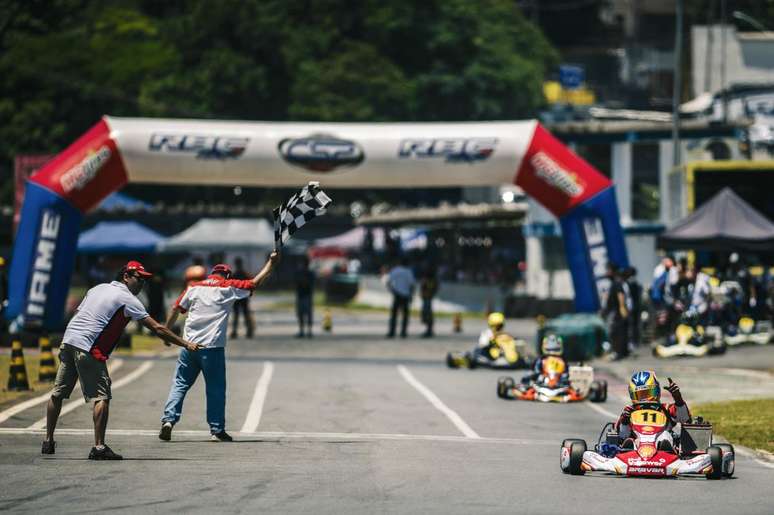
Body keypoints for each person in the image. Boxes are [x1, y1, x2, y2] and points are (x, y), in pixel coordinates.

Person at [42, 261, 199, 460]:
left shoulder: (97, 288)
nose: (142, 283)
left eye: (144, 280)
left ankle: (48, 441)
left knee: (58, 393)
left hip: (69, 340)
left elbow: (80, 313)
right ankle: (99, 448)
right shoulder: (127, 298)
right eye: (139, 278)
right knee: (102, 397)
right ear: (126, 276)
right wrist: (185, 344)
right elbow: (158, 329)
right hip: (89, 347)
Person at [160, 251, 279, 442]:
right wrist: (271, 264)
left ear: (211, 274)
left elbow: (176, 308)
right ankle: (216, 429)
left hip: (188, 345)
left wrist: (166, 332)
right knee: (215, 388)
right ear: (227, 275)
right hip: (212, 348)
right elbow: (254, 283)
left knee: (180, 384)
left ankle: (168, 420)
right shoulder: (227, 286)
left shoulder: (194, 287)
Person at [616, 370, 690, 451]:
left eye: (647, 393)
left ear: (656, 391)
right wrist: (625, 421)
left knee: (665, 435)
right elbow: (622, 435)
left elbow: (686, 419)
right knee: (629, 441)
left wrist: (678, 399)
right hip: (636, 448)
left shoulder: (666, 409)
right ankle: (628, 450)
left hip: (661, 449)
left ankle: (666, 449)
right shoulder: (629, 411)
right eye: (640, 395)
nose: (644, 399)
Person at [603, 264, 629, 360]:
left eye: (609, 270)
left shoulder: (617, 283)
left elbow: (620, 296)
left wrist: (622, 308)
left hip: (617, 312)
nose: (607, 273)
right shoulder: (614, 283)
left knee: (616, 333)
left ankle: (618, 352)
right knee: (617, 332)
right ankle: (620, 352)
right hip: (615, 311)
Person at [386, 257, 415, 338]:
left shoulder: (395, 270)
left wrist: (392, 291)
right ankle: (403, 332)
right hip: (405, 295)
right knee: (405, 315)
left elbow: (388, 282)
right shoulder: (408, 272)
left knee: (394, 315)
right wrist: (411, 295)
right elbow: (412, 285)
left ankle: (392, 332)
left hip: (397, 294)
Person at [230, 257, 254, 338]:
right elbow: (250, 284)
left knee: (237, 315)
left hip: (237, 297)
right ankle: (249, 330)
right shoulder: (244, 273)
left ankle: (235, 331)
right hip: (243, 296)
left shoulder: (234, 274)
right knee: (245, 314)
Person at [294, 256, 315, 338]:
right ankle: (305, 331)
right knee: (303, 314)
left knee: (304, 314)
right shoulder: (303, 273)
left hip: (305, 295)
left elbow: (308, 284)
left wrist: (303, 282)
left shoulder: (308, 273)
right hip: (304, 295)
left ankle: (305, 331)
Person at [624, 267, 642, 349]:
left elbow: (628, 297)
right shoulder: (636, 282)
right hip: (637, 306)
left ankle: (632, 341)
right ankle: (636, 341)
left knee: (631, 325)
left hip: (631, 307)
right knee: (636, 324)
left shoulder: (628, 283)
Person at [419, 266, 439, 338]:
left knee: (427, 314)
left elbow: (433, 288)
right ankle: (429, 329)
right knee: (427, 313)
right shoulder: (429, 280)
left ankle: (429, 330)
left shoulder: (430, 280)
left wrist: (429, 293)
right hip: (427, 298)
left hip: (428, 298)